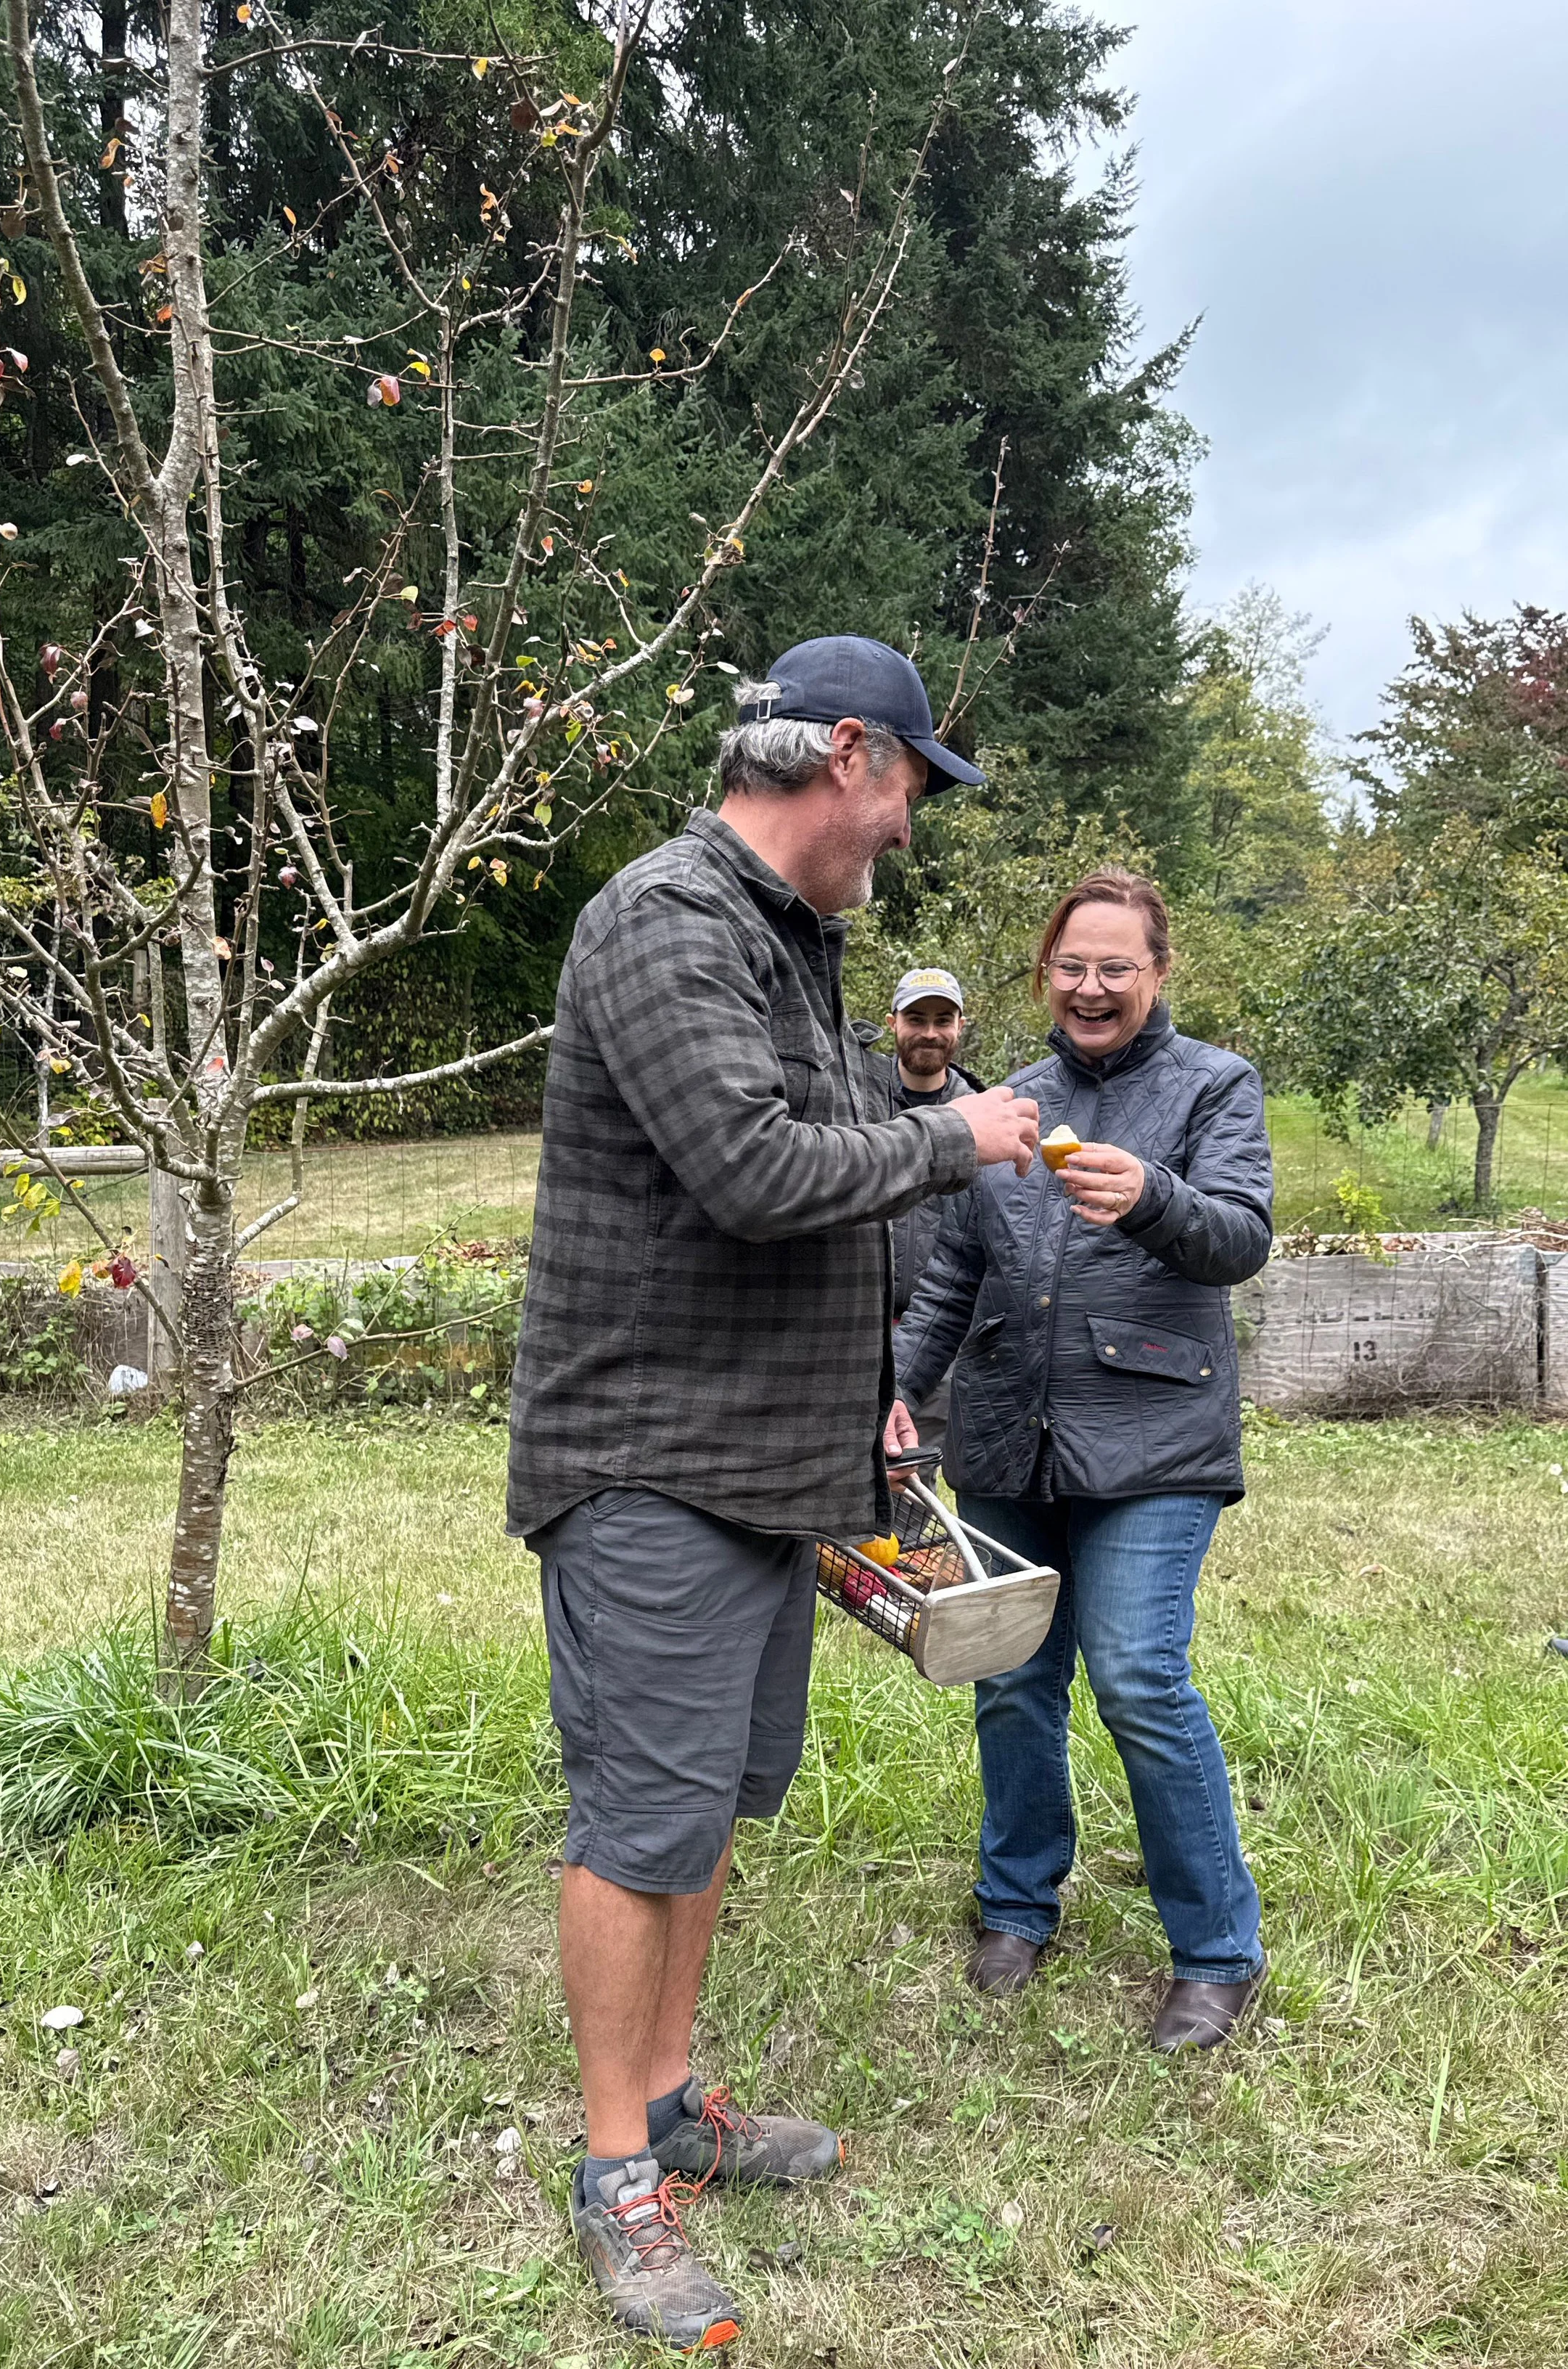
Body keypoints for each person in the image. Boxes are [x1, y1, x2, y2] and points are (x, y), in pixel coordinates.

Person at [509, 634, 1041, 2350]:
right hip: (650, 1466)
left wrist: (872, 1408)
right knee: (639, 1821)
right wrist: (961, 1135)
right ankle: (615, 2177)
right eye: (910, 794)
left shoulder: (782, 945)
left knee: (716, 1805)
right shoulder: (667, 919)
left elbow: (811, 1215)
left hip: (763, 1465)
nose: (907, 834)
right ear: (856, 763)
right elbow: (751, 1173)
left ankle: (671, 2101)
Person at [887, 867, 1274, 2053]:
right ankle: (1016, 1901)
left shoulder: (1215, 1087)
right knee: (1010, 1670)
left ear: (1159, 971)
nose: (1092, 984)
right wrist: (897, 1387)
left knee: (1138, 1673)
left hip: (1156, 1434)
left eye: (1117, 965)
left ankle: (1215, 1949)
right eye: (1072, 964)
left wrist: (1154, 1194)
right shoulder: (1005, 1106)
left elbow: (1240, 1239)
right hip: (1006, 1431)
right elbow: (953, 1274)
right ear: (1044, 973)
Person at [868, 967, 984, 1462]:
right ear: (893, 1023)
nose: (930, 1032)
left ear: (961, 1026)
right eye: (917, 1018)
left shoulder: (983, 1114)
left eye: (943, 1019)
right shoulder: (858, 1101)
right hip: (857, 1327)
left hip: (940, 1337)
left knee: (913, 1473)